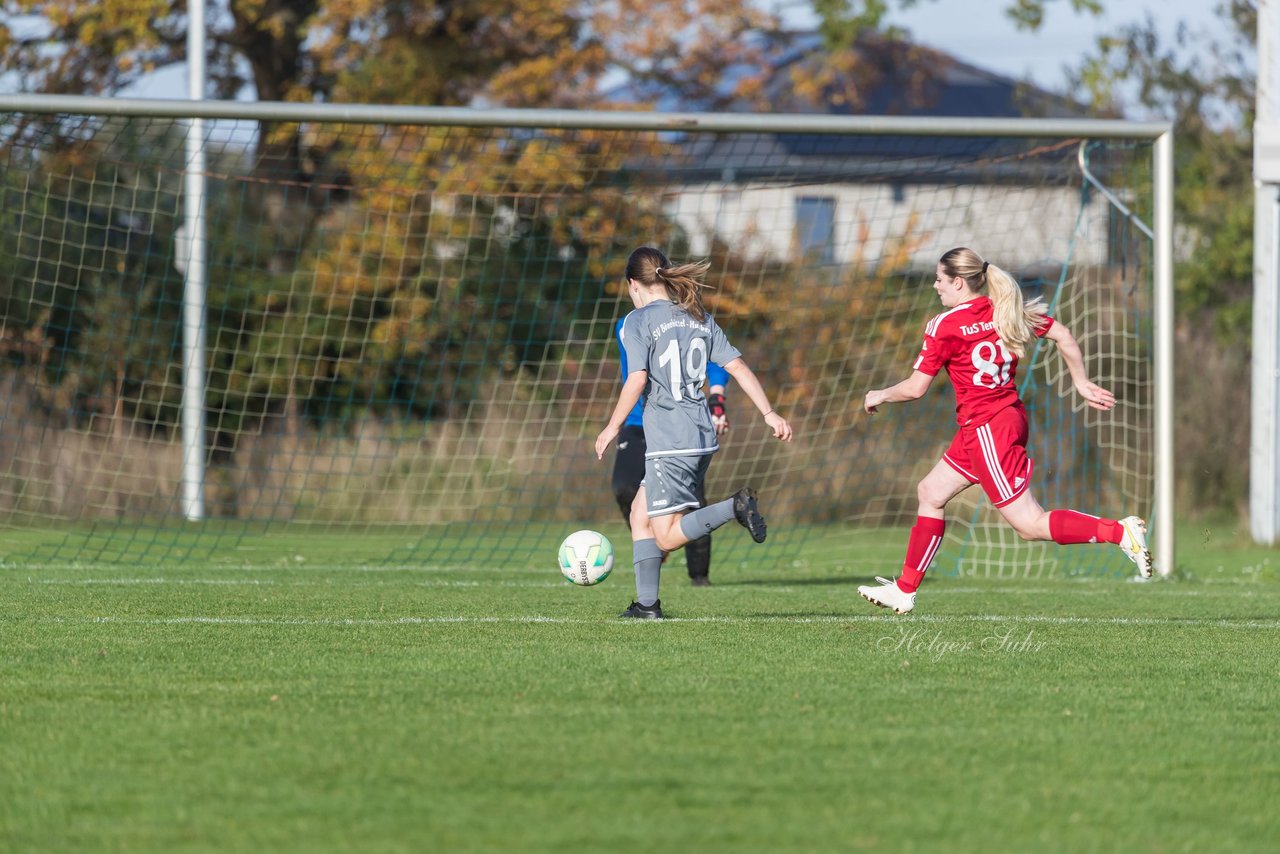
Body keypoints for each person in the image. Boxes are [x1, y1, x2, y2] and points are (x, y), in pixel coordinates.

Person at [858, 246, 1151, 615]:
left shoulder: (944, 325)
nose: (935, 286)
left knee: (1029, 524)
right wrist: (1081, 382)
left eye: (939, 279)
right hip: (996, 422)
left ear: (959, 283)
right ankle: (904, 589)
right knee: (930, 492)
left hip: (987, 430)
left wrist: (879, 394)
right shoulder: (1005, 310)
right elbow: (1062, 335)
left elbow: (917, 388)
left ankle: (1120, 532)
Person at [595, 246, 794, 620]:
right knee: (640, 515)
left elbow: (637, 379)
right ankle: (647, 606)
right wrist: (769, 412)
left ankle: (733, 507)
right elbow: (736, 366)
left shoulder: (636, 321)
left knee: (667, 536)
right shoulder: (698, 315)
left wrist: (611, 426)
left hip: (670, 441)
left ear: (632, 284)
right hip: (702, 436)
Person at [611, 313, 731, 588]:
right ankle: (657, 553)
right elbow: (637, 375)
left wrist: (717, 400)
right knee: (624, 487)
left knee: (692, 500)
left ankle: (699, 577)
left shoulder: (691, 321)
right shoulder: (626, 323)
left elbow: (717, 362)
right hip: (638, 423)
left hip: (678, 426)